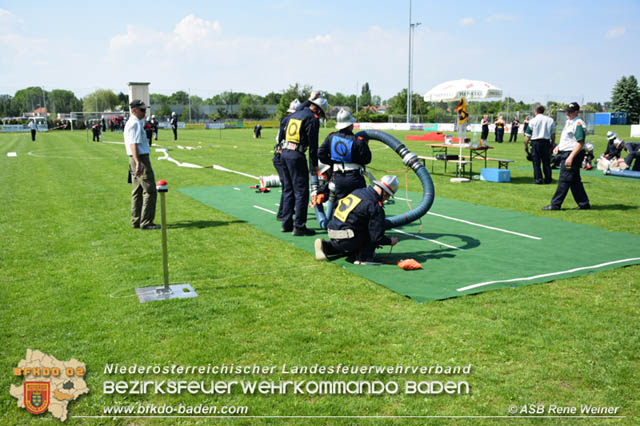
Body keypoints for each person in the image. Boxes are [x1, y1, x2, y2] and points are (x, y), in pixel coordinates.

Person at [314, 175, 400, 265]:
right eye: (388, 196)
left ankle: (326, 246)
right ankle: (365, 257)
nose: (387, 199)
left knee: (345, 242)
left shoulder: (358, 192)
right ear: (385, 192)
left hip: (333, 232)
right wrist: (390, 241)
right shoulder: (374, 206)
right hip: (348, 238)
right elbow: (376, 237)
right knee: (373, 227)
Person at [280, 92, 328, 236]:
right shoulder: (312, 120)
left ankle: (286, 223)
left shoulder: (297, 113)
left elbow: (301, 106)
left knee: (288, 190)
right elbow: (313, 146)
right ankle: (299, 226)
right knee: (301, 192)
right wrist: (313, 164)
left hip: (284, 153)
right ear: (318, 110)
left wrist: (309, 99)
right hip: (296, 156)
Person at [542, 102, 590, 210]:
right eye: (567, 111)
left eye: (571, 111)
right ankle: (584, 204)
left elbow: (580, 142)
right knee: (574, 181)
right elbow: (569, 139)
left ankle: (555, 204)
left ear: (577, 112)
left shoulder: (578, 123)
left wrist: (571, 157)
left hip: (572, 154)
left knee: (564, 179)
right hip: (566, 152)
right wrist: (559, 146)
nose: (568, 113)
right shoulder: (569, 122)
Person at [318, 108, 371, 201]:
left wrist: (332, 163)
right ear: (350, 125)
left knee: (339, 206)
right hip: (354, 177)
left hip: (338, 177)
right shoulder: (357, 140)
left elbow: (320, 153)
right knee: (359, 204)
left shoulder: (331, 137)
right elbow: (367, 159)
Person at [125, 100, 160, 229]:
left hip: (135, 159)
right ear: (134, 110)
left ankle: (137, 220)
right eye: (142, 110)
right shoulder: (134, 123)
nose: (145, 112)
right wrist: (139, 162)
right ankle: (146, 222)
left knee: (138, 191)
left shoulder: (135, 122)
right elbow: (133, 144)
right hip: (140, 158)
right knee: (150, 190)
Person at [273, 99, 300, 221]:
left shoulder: (285, 120)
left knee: (288, 185)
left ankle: (286, 210)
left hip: (280, 155)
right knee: (288, 186)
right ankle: (282, 214)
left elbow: (278, 138)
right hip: (283, 155)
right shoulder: (292, 122)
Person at [524, 105, 556, 184]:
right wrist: (552, 144)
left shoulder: (532, 121)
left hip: (535, 143)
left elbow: (527, 135)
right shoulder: (550, 120)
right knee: (546, 162)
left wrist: (526, 146)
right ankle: (548, 179)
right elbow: (553, 134)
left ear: (536, 111)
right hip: (546, 142)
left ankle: (538, 179)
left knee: (536, 162)